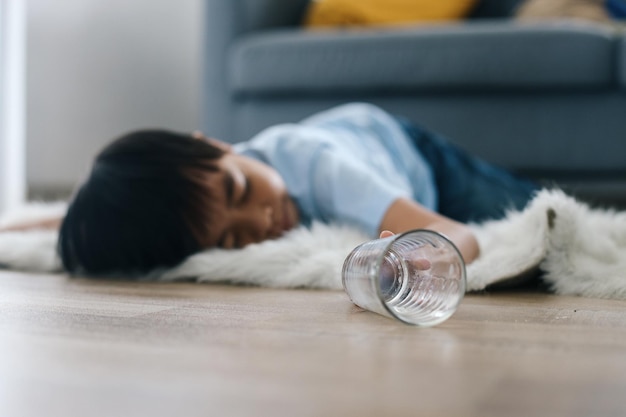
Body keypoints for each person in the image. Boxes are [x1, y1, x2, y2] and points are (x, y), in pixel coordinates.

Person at [1, 103, 538, 276]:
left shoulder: (318, 168)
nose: (259, 221)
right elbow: (73, 218)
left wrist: (421, 258)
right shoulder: (201, 201)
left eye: (240, 191)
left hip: (412, 154)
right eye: (233, 242)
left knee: (519, 206)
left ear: (214, 143)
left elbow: (453, 232)